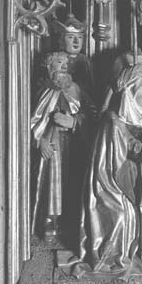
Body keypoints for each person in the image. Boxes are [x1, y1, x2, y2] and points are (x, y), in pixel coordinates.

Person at [73, 64, 142, 279]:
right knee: (123, 215)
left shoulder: (123, 119)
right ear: (131, 91)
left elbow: (133, 140)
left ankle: (127, 253)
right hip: (106, 183)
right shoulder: (113, 121)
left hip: (119, 177)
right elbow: (119, 157)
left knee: (138, 207)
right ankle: (110, 258)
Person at [31, 51, 95, 246]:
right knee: (53, 181)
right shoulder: (44, 92)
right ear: (50, 68)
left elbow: (92, 113)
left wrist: (74, 122)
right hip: (54, 142)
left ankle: (72, 221)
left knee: (74, 180)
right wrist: (40, 141)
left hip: (76, 143)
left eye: (66, 63)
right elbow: (34, 120)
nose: (64, 66)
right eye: (59, 62)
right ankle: (50, 220)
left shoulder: (77, 89)